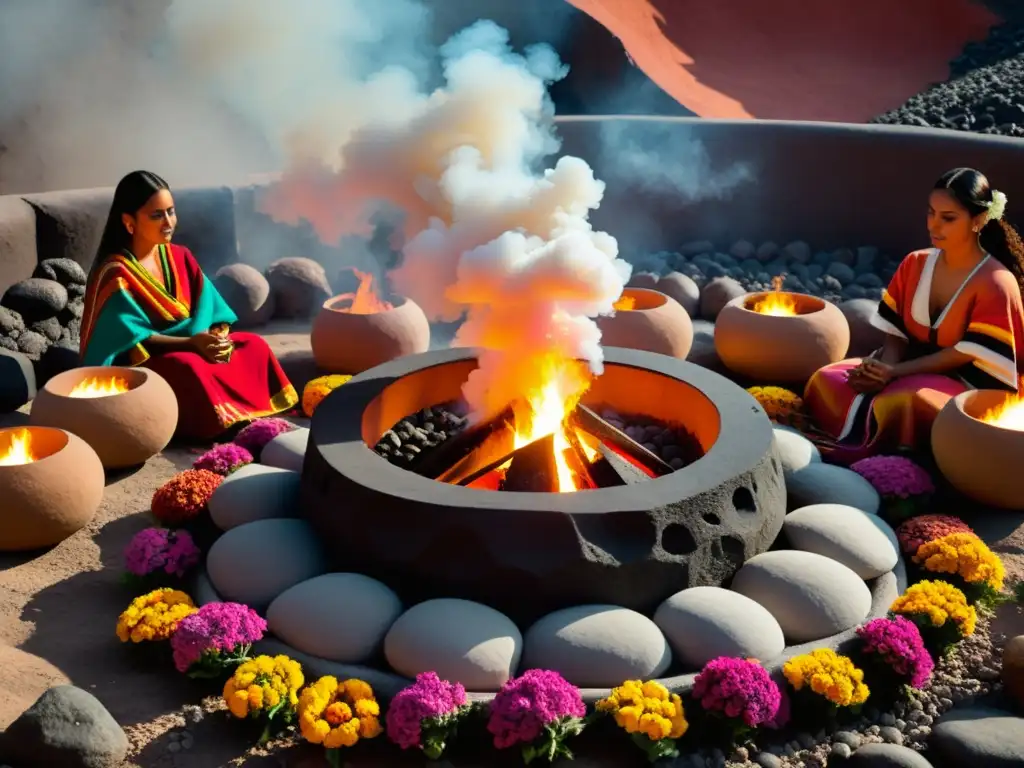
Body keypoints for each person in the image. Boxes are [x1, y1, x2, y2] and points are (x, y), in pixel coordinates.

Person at [804, 167, 1024, 463]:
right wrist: (881, 370)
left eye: (948, 218)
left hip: (968, 384)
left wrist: (894, 373)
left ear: (979, 220)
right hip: (905, 367)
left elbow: (964, 354)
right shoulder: (915, 263)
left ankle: (904, 463)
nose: (935, 225)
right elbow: (895, 331)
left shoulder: (996, 281)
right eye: (931, 213)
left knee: (908, 402)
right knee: (826, 379)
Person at [80, 170, 298, 441]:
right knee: (189, 367)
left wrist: (214, 336)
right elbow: (129, 339)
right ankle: (218, 425)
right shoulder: (114, 273)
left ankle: (248, 414)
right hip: (147, 362)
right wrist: (191, 344)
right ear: (129, 222)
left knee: (254, 345)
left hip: (195, 344)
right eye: (156, 215)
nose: (168, 222)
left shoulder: (180, 256)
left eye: (171, 212)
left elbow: (209, 305)